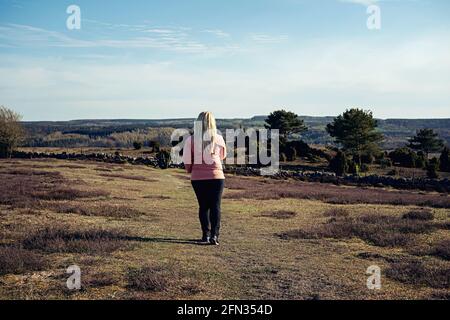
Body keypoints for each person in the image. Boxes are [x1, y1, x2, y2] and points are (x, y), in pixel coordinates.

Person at [182, 111, 226, 245]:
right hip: (216, 176)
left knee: (203, 206)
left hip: (198, 177)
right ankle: (214, 236)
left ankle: (205, 235)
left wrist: (190, 170)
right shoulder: (219, 138)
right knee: (215, 206)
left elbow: (187, 160)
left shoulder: (191, 139)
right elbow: (223, 156)